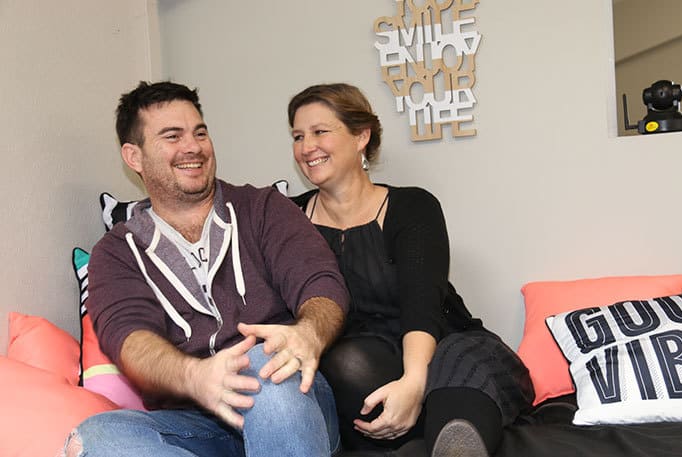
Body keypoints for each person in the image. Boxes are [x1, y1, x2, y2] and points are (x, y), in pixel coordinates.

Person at [63, 81, 350, 457]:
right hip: (197, 425)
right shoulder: (117, 252)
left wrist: (309, 332)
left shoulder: (263, 208)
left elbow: (320, 282)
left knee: (262, 360)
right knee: (95, 439)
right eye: (172, 136)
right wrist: (194, 377)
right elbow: (130, 339)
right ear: (134, 157)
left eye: (200, 132)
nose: (193, 147)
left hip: (290, 404)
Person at [286, 83, 534, 457]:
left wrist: (414, 380)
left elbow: (423, 305)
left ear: (361, 136)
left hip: (440, 342)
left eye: (320, 131)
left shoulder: (412, 206)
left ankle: (451, 436)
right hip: (366, 366)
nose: (307, 147)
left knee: (458, 378)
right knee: (346, 364)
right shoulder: (287, 217)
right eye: (298, 136)